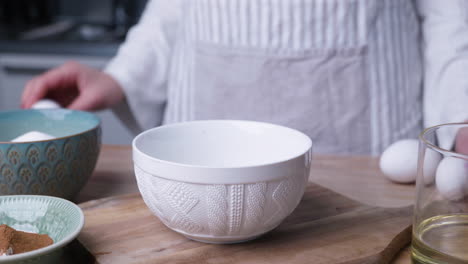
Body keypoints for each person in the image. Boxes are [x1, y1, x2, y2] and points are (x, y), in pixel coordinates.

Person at [20, 0, 468, 155]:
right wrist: (122, 76)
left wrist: (461, 113)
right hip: (206, 112)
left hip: (366, 141)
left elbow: (450, 13)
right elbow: (174, 8)